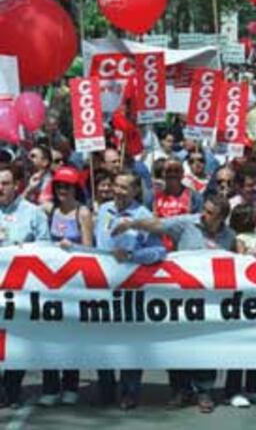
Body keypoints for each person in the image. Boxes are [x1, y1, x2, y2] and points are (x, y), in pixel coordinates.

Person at [111, 194, 236, 413]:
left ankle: (204, 391)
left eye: (210, 213)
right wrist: (131, 223)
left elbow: (237, 264)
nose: (203, 215)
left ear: (222, 218)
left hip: (209, 303)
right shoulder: (187, 223)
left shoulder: (229, 236)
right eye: (204, 210)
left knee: (205, 347)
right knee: (178, 344)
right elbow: (158, 225)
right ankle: (180, 390)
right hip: (180, 299)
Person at [95, 169, 166, 410]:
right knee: (102, 339)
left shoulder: (144, 216)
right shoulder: (104, 210)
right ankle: (106, 388)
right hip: (102, 287)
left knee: (129, 342)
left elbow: (159, 251)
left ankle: (130, 390)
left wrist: (132, 255)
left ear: (136, 191)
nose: (118, 191)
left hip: (131, 288)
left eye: (125, 187)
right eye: (116, 185)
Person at [38, 166, 94, 406]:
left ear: (76, 189)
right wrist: (33, 183)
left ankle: (71, 385)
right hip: (49, 285)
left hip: (73, 284)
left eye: (67, 186)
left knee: (70, 335)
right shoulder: (49, 210)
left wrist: (71, 248)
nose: (62, 190)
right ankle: (50, 387)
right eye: (58, 186)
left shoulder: (83, 213)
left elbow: (90, 250)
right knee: (47, 335)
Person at [0, 165, 50, 408]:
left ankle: (12, 387)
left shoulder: (33, 213)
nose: (0, 188)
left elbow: (45, 248)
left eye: (5, 183)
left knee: (16, 338)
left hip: (21, 291)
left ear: (16, 185)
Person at [224, 204, 256, 408]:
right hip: (241, 297)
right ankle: (232, 390)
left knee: (255, 345)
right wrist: (253, 256)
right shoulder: (239, 238)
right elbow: (240, 261)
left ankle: (253, 387)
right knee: (238, 346)